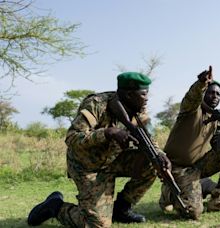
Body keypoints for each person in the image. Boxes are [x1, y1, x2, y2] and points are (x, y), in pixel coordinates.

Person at [27, 72, 171, 227]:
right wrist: (108, 133)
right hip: (88, 167)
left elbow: (148, 138)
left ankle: (121, 209)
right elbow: (72, 138)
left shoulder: (138, 110)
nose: (147, 98)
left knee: (152, 162)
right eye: (143, 94)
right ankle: (55, 206)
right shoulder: (97, 104)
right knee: (97, 225)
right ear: (129, 95)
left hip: (113, 161)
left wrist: (160, 154)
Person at [159, 66, 220, 220]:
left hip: (199, 166)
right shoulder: (191, 109)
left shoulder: (216, 119)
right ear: (204, 93)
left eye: (218, 94)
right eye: (211, 92)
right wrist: (201, 83)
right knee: (193, 213)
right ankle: (168, 193)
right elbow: (192, 97)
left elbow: (219, 145)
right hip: (178, 168)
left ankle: (218, 199)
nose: (215, 96)